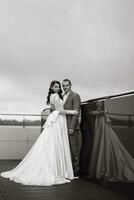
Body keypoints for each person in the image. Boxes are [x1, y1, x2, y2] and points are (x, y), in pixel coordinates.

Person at [1, 80, 78, 186]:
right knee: (55, 143)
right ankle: (55, 170)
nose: (58, 88)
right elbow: (59, 110)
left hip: (58, 120)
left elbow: (53, 108)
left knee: (54, 143)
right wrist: (72, 112)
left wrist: (53, 108)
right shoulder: (55, 96)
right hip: (58, 120)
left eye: (58, 87)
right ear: (51, 88)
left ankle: (58, 169)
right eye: (56, 87)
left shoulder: (54, 96)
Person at [89, 101, 134, 182]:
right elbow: (92, 112)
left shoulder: (101, 100)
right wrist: (102, 112)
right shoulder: (95, 100)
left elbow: (100, 111)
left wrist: (104, 114)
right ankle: (102, 169)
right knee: (100, 142)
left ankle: (105, 170)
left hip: (101, 122)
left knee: (105, 141)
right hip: (98, 121)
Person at [62, 79, 81, 178]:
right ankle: (68, 170)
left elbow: (76, 112)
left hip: (71, 127)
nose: (65, 87)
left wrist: (72, 127)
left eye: (66, 85)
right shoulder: (62, 96)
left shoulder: (75, 96)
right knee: (66, 149)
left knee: (74, 149)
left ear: (70, 85)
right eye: (63, 86)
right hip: (63, 126)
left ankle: (76, 170)